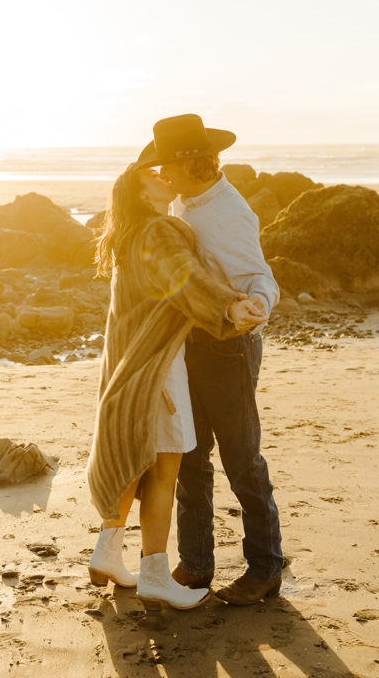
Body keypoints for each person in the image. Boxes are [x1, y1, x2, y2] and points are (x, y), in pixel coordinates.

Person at [86, 161, 266, 611]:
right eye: (152, 173)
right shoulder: (160, 232)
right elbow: (188, 280)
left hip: (129, 364)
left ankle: (107, 552)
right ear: (137, 189)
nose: (163, 175)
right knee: (166, 470)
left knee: (136, 463)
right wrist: (229, 307)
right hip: (159, 367)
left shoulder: (128, 234)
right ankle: (154, 576)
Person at [137, 113, 284, 606]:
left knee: (242, 460)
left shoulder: (227, 212)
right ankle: (196, 566)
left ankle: (265, 569)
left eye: (167, 167)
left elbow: (260, 277)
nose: (163, 176)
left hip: (230, 349)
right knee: (192, 460)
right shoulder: (184, 200)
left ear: (190, 163)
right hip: (192, 347)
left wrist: (258, 308)